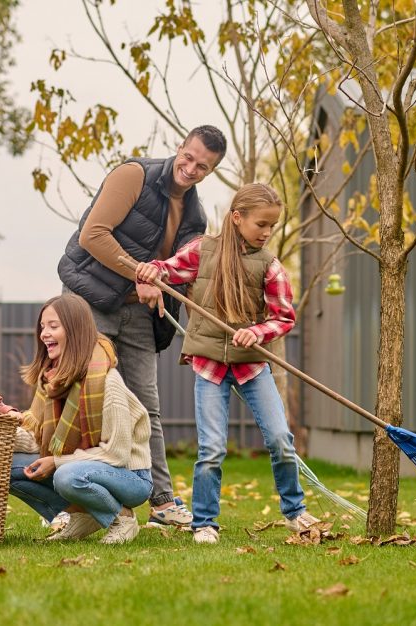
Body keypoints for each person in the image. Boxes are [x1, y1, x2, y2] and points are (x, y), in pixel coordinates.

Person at [57, 124, 227, 527]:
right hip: (89, 298)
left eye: (202, 167)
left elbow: (181, 275)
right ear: (179, 146)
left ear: (212, 170)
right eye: (188, 158)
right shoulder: (133, 175)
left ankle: (162, 500)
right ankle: (67, 506)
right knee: (83, 396)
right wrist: (141, 273)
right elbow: (92, 235)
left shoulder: (195, 216)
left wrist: (202, 332)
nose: (191, 169)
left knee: (146, 404)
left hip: (138, 310)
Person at [134, 183, 319, 544]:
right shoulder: (203, 251)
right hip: (210, 365)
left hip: (251, 365)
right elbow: (167, 270)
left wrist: (258, 332)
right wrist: (151, 271)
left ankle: (295, 512)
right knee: (212, 448)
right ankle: (204, 522)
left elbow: (284, 317)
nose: (266, 233)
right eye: (260, 224)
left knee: (281, 439)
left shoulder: (270, 266)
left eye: (272, 227)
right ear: (237, 218)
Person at [9, 294, 153, 544]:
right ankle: (84, 515)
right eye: (43, 326)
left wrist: (57, 461)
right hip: (82, 465)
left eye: (53, 326)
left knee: (67, 476)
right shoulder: (52, 381)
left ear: (75, 331)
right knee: (6, 466)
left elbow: (116, 455)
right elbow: (38, 441)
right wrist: (2, 431)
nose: (44, 333)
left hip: (130, 476)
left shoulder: (108, 382)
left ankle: (122, 518)